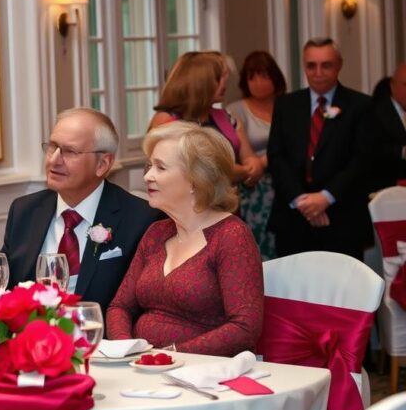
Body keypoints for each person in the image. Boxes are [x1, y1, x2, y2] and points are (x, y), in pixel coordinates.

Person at [106, 122, 263, 356]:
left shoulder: (231, 235)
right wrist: (127, 349)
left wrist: (170, 355)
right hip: (142, 368)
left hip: (202, 373)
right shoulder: (156, 233)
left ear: (194, 180)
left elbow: (244, 328)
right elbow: (119, 307)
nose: (148, 176)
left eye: (160, 168)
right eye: (149, 166)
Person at [0, 108, 161, 316]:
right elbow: (5, 289)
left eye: (70, 152)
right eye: (52, 147)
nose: (54, 160)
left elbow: (141, 308)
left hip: (100, 341)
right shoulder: (25, 211)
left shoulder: (141, 219)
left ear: (102, 164)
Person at [267, 38, 374, 260]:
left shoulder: (361, 105)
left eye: (326, 65)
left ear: (339, 65)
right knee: (294, 292)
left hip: (342, 217)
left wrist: (325, 198)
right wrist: (302, 201)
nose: (318, 72)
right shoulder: (287, 105)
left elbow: (362, 160)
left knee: (342, 290)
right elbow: (276, 156)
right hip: (294, 218)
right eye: (311, 65)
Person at [149, 51, 264, 187]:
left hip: (228, 204)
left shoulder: (228, 117)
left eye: (225, 77)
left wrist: (253, 165)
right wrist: (242, 171)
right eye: (218, 78)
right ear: (199, 82)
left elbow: (249, 157)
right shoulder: (166, 120)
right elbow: (198, 170)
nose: (225, 83)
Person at [226, 51, 287, 260]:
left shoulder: (288, 105)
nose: (258, 83)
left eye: (264, 76)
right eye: (252, 77)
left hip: (286, 179)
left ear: (275, 78)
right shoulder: (235, 110)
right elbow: (242, 155)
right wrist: (260, 164)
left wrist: (266, 160)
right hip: (252, 186)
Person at [371, 63, 406, 190]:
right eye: (405, 85)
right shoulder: (375, 112)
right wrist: (402, 152)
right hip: (386, 187)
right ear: (392, 86)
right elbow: (372, 150)